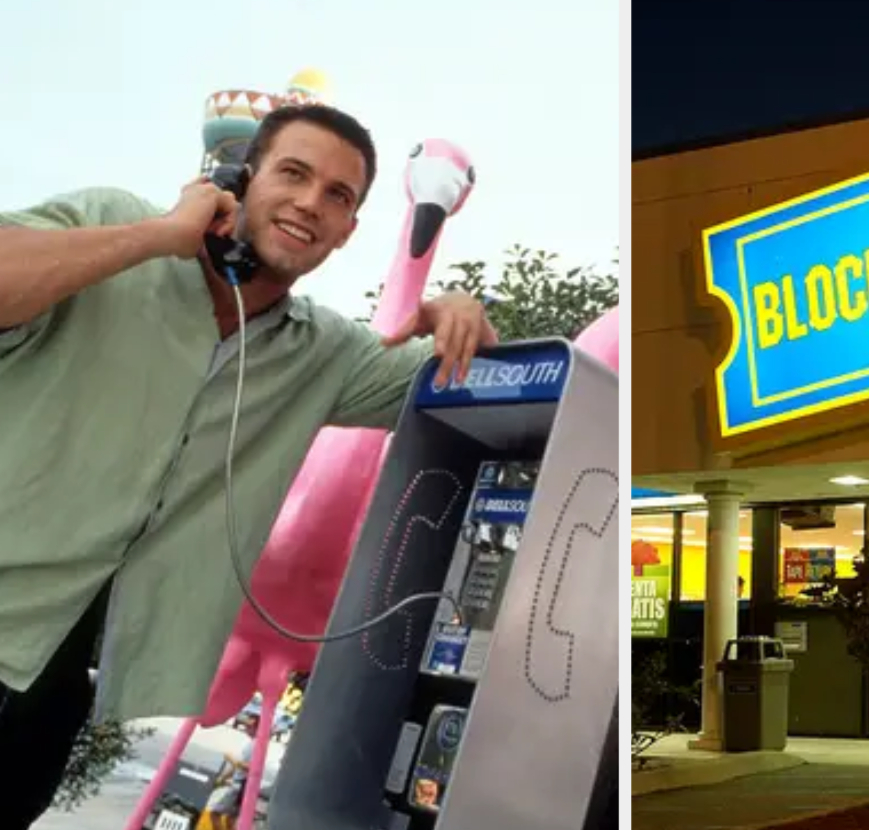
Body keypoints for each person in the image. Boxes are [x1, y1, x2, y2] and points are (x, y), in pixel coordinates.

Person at [0, 103, 497, 828]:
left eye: (338, 196)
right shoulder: (111, 227)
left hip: (47, 685)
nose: (310, 204)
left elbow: (461, 392)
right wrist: (160, 236)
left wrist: (459, 312)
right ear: (239, 177)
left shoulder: (322, 354)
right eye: (293, 174)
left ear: (351, 229)